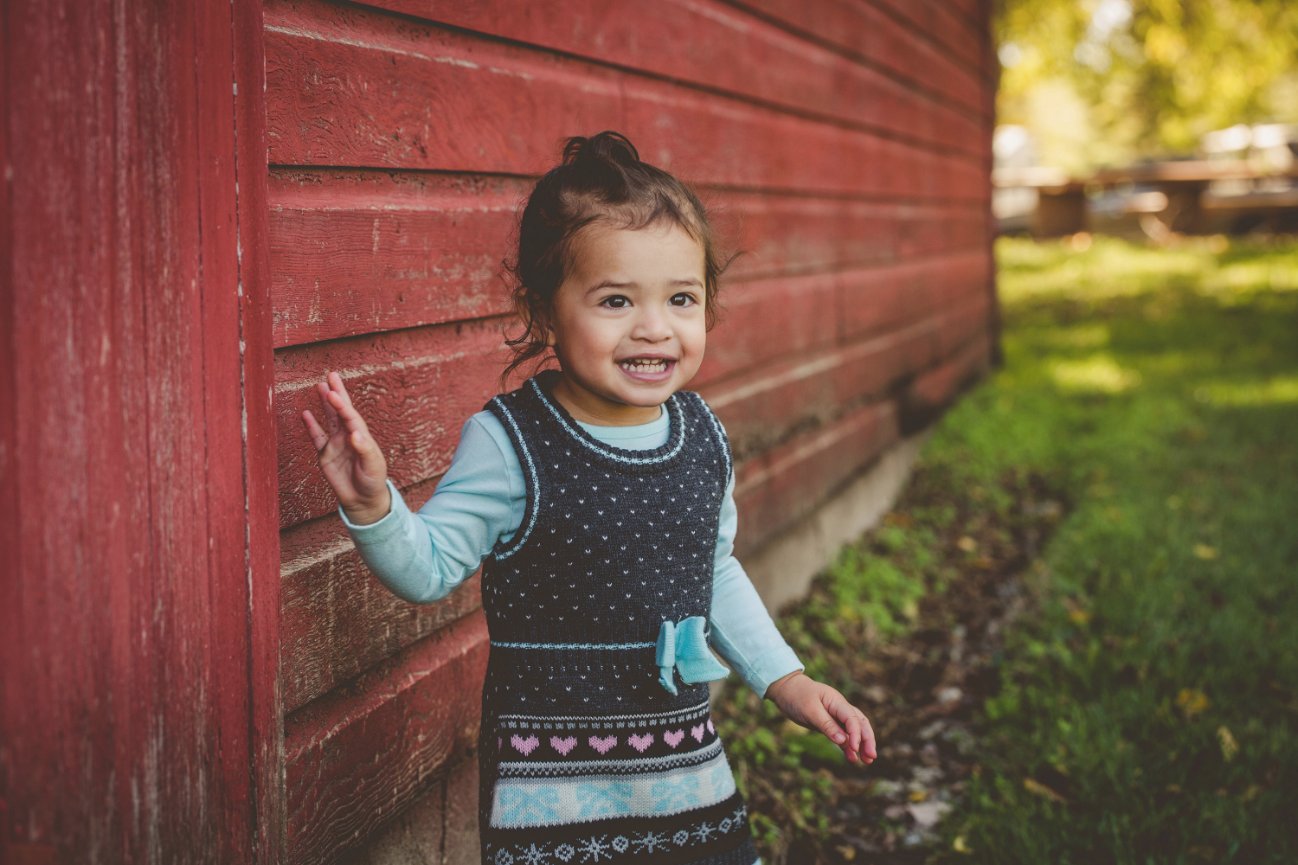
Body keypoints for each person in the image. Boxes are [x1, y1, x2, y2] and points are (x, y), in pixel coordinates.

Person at [301, 131, 877, 865]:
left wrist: (787, 680)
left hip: (682, 775)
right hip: (552, 793)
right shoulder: (513, 442)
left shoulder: (701, 436)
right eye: (615, 300)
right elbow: (430, 569)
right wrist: (373, 507)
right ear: (544, 311)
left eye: (681, 298)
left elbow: (713, 572)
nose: (654, 327)